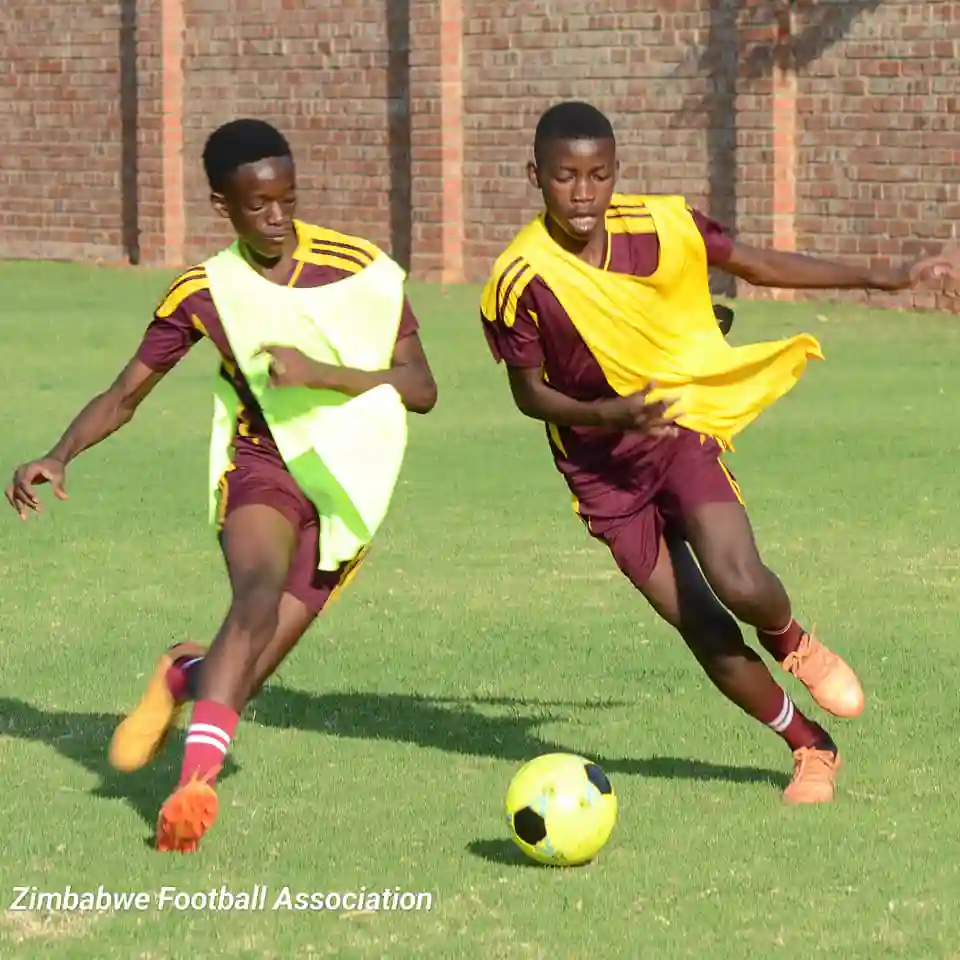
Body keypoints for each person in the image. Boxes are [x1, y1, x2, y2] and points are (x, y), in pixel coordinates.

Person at [480, 101, 958, 804]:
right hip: (603, 475)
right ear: (535, 176)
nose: (583, 193)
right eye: (564, 176)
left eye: (599, 175)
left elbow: (757, 262)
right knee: (701, 625)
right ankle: (810, 748)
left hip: (677, 429)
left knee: (739, 580)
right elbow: (529, 395)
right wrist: (608, 413)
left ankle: (793, 639)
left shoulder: (662, 227)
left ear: (617, 175)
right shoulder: (519, 279)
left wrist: (883, 277)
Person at [5, 119, 438, 852]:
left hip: (348, 487)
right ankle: (192, 790)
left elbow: (422, 389)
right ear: (222, 204)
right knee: (256, 598)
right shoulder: (205, 290)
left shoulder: (361, 270)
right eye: (256, 204)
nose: (276, 218)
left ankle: (184, 672)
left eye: (287, 199)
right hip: (261, 469)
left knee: (238, 680)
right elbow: (125, 393)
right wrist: (60, 451)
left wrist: (322, 372)